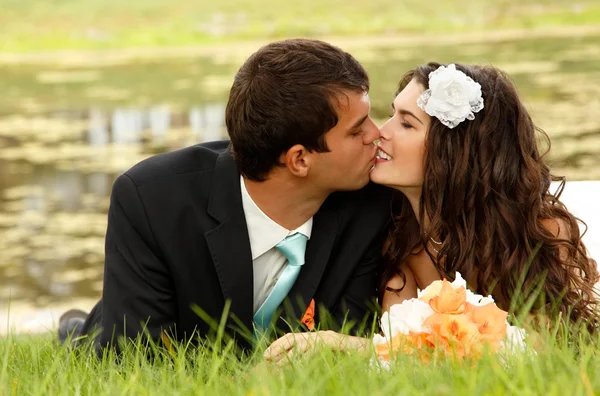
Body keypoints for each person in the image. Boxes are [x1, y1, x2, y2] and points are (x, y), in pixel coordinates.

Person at [59, 39, 393, 353]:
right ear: (299, 159)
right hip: (137, 314)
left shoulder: (368, 203)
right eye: (356, 130)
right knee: (85, 338)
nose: (377, 134)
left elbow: (348, 336)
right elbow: (134, 357)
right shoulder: (150, 199)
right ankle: (72, 328)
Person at [264, 62, 600, 361]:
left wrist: (339, 344)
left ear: (455, 152)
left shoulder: (540, 231)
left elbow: (540, 348)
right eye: (393, 114)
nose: (381, 131)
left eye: (406, 124)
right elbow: (398, 351)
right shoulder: (395, 236)